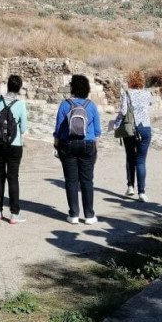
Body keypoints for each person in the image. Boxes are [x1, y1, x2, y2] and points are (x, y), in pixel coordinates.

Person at [53, 74, 102, 225]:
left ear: (72, 88)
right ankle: (89, 215)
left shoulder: (65, 104)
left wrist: (56, 145)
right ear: (87, 89)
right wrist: (95, 149)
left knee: (71, 180)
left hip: (68, 145)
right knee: (87, 180)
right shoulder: (91, 105)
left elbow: (59, 130)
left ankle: (73, 214)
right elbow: (98, 132)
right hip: (88, 145)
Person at [0, 75, 29, 224]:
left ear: (8, 86)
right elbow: (23, 128)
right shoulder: (21, 104)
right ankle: (14, 214)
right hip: (14, 146)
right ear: (19, 88)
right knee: (13, 178)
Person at [115, 70, 153, 202]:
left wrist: (116, 124)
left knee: (130, 157)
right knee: (141, 161)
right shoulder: (147, 93)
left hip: (130, 128)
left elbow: (123, 111)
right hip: (145, 128)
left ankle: (130, 186)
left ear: (130, 81)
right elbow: (149, 105)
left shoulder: (127, 93)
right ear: (142, 81)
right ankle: (142, 192)